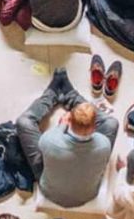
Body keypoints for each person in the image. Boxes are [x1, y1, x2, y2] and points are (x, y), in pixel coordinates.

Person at [15, 66, 116, 207]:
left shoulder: (50, 140)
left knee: (23, 122)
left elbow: (49, 143)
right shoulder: (104, 144)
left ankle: (52, 94)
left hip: (50, 191)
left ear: (69, 120)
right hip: (88, 194)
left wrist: (61, 125)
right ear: (95, 127)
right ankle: (71, 95)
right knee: (112, 123)